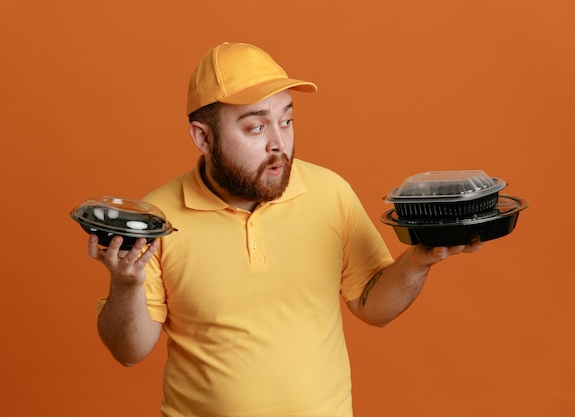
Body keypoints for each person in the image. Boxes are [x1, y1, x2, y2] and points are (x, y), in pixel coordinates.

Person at [87, 42, 483, 417]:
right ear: (203, 138)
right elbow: (129, 351)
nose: (280, 143)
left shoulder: (329, 192)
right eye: (256, 128)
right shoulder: (159, 218)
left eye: (287, 120)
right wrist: (125, 284)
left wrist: (417, 261)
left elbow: (372, 306)